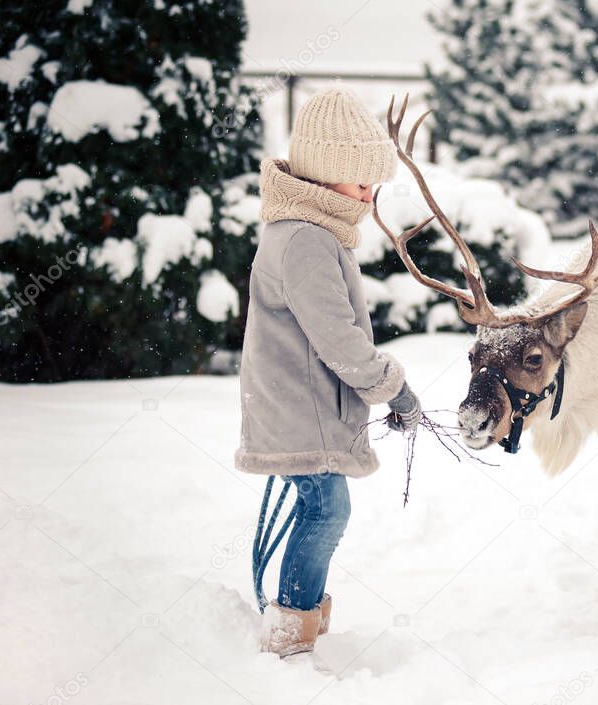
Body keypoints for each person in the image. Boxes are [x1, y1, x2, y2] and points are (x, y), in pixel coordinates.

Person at [235, 86, 423, 658]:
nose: (370, 196)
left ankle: (298, 623)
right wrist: (395, 388)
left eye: (375, 184)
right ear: (325, 175)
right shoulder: (308, 240)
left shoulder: (306, 231)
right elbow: (339, 340)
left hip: (300, 403)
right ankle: (291, 634)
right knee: (326, 507)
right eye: (361, 182)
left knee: (322, 506)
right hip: (301, 406)